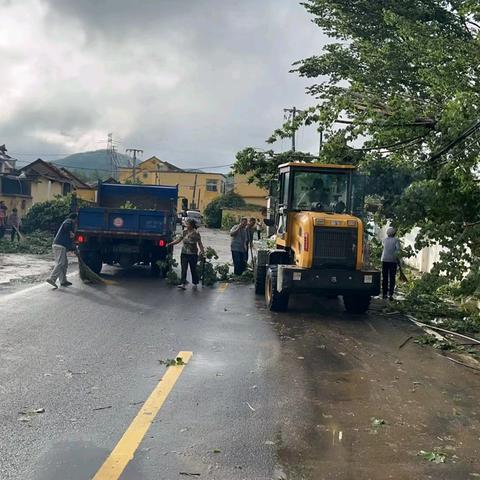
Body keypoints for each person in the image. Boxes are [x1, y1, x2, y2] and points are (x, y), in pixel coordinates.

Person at [167, 218, 205, 290]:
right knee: (184, 269)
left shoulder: (196, 233)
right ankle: (183, 283)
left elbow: (199, 243)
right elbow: (178, 240)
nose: (186, 225)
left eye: (187, 224)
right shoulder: (184, 232)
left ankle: (195, 282)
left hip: (193, 254)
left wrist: (203, 252)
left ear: (191, 225)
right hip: (184, 253)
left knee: (193, 269)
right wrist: (170, 244)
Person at [46, 213, 77, 289]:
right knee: (61, 263)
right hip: (60, 245)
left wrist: (74, 249)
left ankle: (63, 281)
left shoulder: (69, 223)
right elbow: (67, 227)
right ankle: (52, 279)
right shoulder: (68, 221)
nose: (76, 222)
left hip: (61, 246)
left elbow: (70, 241)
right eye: (76, 220)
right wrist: (71, 232)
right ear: (74, 218)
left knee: (65, 263)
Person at [381, 226, 401, 300]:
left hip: (384, 260)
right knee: (392, 277)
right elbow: (398, 251)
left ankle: (384, 294)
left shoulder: (384, 240)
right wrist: (399, 261)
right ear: (394, 233)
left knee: (385, 277)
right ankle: (391, 294)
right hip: (393, 261)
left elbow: (385, 248)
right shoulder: (396, 240)